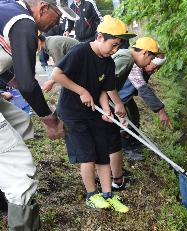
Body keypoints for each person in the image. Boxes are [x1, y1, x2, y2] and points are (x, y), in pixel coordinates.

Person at [0, 0, 78, 230]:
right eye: (57, 15)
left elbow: (13, 74)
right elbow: (27, 84)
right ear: (43, 7)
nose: (59, 22)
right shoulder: (23, 22)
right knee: (20, 171)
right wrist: (50, 119)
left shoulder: (7, 10)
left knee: (20, 123)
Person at [51, 15, 135, 211]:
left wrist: (106, 109)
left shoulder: (108, 61)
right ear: (99, 37)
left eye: (118, 46)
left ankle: (108, 195)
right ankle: (91, 195)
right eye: (113, 45)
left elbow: (104, 90)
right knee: (87, 154)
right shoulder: (80, 51)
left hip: (93, 111)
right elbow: (56, 74)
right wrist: (81, 91)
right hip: (73, 112)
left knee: (101, 152)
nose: (115, 50)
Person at [107, 37, 159, 184]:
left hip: (107, 102)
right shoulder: (126, 59)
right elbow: (106, 82)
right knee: (111, 139)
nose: (150, 63)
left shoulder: (128, 57)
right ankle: (114, 176)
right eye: (151, 59)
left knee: (112, 138)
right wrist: (115, 104)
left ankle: (115, 173)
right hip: (101, 103)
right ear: (144, 53)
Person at [118, 53, 172, 160]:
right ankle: (127, 149)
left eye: (158, 68)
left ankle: (134, 142)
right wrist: (161, 111)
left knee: (135, 117)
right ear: (148, 58)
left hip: (127, 97)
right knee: (126, 122)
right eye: (155, 67)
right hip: (118, 97)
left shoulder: (146, 67)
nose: (155, 71)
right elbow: (144, 90)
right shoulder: (134, 66)